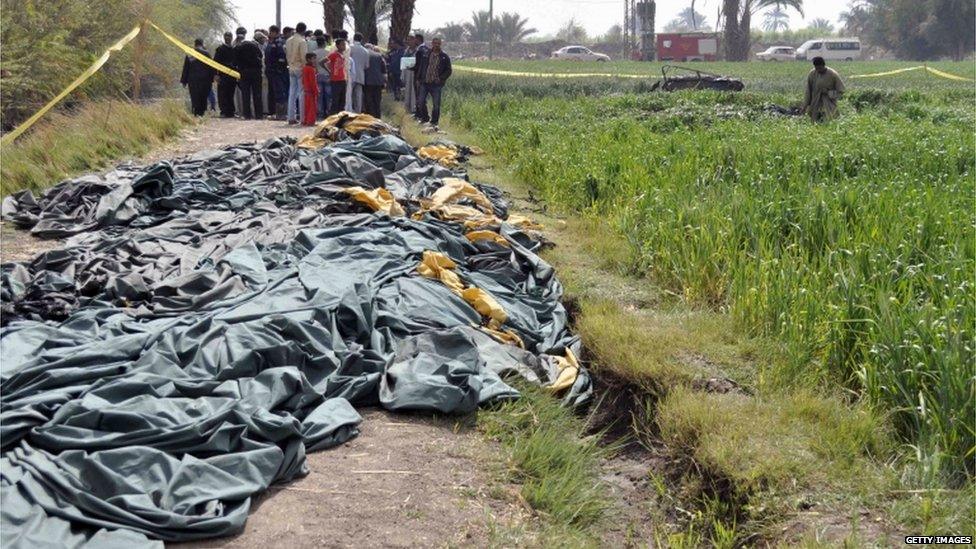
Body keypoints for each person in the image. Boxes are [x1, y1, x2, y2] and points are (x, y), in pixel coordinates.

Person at [414, 36, 452, 128]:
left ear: (440, 44)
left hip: (436, 85)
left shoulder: (444, 56)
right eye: (435, 43)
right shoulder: (426, 54)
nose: (436, 45)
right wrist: (418, 78)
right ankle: (425, 118)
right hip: (425, 82)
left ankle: (434, 122)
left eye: (438, 43)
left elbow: (449, 70)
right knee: (421, 102)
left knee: (436, 104)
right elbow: (421, 67)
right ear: (432, 43)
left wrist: (441, 78)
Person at [803, 56, 845, 123]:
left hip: (829, 106)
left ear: (823, 65)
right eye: (816, 68)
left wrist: (828, 93)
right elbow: (808, 91)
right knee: (815, 123)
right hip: (815, 105)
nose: (818, 70)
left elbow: (841, 92)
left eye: (820, 68)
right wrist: (805, 106)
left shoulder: (832, 74)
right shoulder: (812, 74)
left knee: (829, 122)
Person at [180, 39, 216, 117]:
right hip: (205, 80)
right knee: (203, 97)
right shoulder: (206, 53)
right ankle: (202, 113)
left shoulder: (190, 54)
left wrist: (184, 81)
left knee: (194, 96)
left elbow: (186, 68)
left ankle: (196, 113)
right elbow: (212, 67)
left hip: (193, 80)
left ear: (195, 44)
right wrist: (212, 78)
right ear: (202, 44)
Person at [234, 27, 264, 119]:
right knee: (257, 94)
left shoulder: (238, 47)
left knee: (245, 95)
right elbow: (261, 55)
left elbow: (235, 61)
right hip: (256, 72)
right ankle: (259, 115)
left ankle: (247, 115)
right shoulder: (254, 44)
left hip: (244, 72)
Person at [285, 22, 309, 124]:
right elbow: (304, 57)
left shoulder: (288, 40)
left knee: (292, 93)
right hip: (300, 68)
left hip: (291, 67)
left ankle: (291, 117)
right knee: (302, 93)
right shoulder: (302, 41)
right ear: (303, 30)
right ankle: (303, 118)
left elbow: (287, 54)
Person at [265, 25, 288, 119]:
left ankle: (281, 114)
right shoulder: (271, 43)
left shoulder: (279, 43)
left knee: (279, 92)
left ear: (275, 32)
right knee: (274, 92)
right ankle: (275, 113)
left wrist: (278, 69)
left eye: (271, 32)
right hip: (271, 71)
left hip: (277, 72)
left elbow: (281, 58)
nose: (270, 34)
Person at [213, 32, 237, 118]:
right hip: (223, 75)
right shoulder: (220, 49)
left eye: (229, 37)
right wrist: (216, 74)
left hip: (232, 75)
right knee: (222, 93)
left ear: (232, 38)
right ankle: (223, 111)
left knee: (231, 93)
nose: (228, 38)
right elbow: (215, 63)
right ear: (224, 38)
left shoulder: (234, 49)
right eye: (226, 36)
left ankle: (231, 112)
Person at [363, 44, 387, 118]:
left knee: (369, 101)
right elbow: (384, 70)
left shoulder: (365, 55)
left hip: (367, 81)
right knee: (377, 101)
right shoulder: (379, 56)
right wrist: (385, 81)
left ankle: (371, 118)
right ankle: (378, 117)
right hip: (378, 82)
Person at [326, 38, 348, 114]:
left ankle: (341, 116)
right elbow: (322, 62)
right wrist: (329, 71)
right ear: (337, 46)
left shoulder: (342, 55)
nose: (344, 46)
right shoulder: (333, 55)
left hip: (343, 79)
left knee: (342, 100)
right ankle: (333, 116)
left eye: (344, 44)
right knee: (335, 100)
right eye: (342, 44)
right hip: (335, 80)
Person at [348, 33, 368, 113]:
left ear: (354, 38)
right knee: (358, 96)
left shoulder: (350, 48)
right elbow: (367, 66)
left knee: (349, 95)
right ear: (361, 40)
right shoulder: (365, 51)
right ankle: (358, 113)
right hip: (360, 75)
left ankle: (349, 112)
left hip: (350, 75)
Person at [313, 35, 332, 120]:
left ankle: (320, 114)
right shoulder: (328, 53)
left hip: (318, 75)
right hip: (327, 75)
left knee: (319, 96)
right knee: (328, 96)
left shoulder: (314, 53)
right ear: (324, 43)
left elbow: (313, 65)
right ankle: (328, 112)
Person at [302, 53, 319, 125]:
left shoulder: (305, 68)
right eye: (313, 59)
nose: (315, 60)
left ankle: (306, 120)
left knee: (307, 107)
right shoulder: (311, 69)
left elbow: (303, 80)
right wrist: (316, 90)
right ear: (309, 59)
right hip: (311, 90)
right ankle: (311, 121)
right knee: (312, 107)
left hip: (306, 90)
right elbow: (313, 82)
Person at [401, 35, 417, 113]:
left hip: (414, 73)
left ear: (414, 40)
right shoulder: (406, 51)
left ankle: (414, 109)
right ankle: (407, 108)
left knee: (413, 91)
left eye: (410, 40)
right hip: (407, 73)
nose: (409, 42)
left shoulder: (417, 51)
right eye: (407, 40)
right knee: (407, 91)